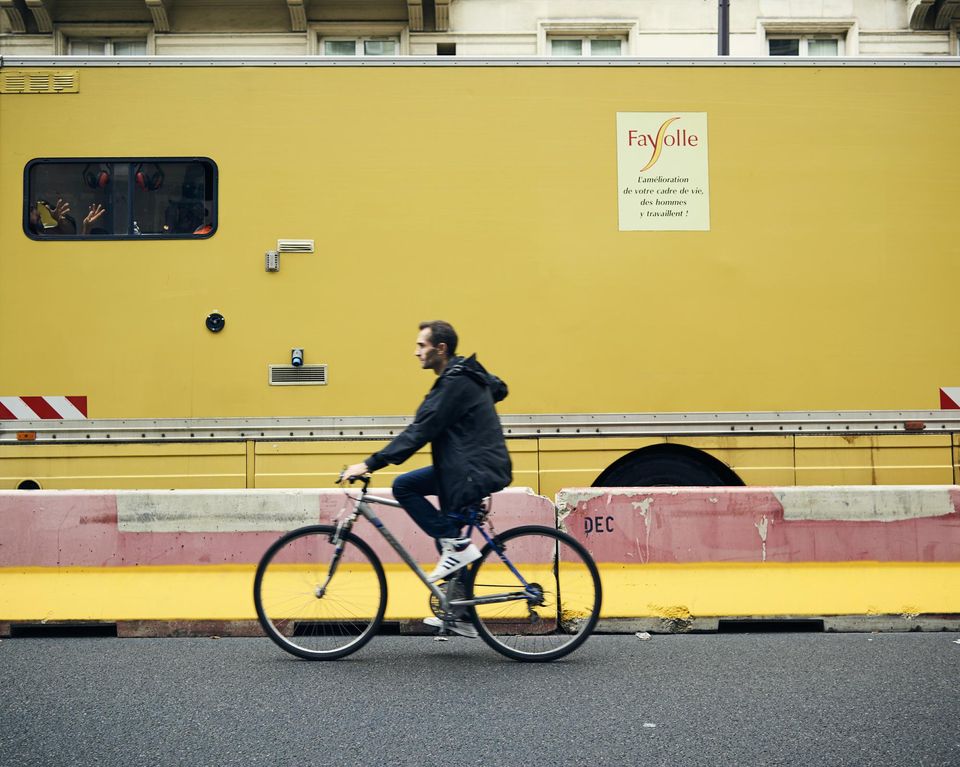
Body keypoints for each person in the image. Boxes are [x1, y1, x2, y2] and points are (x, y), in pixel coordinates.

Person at [341, 320, 512, 636]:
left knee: (407, 489)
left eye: (421, 345)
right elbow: (497, 389)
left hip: (471, 471)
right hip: (469, 467)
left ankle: (457, 563)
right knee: (449, 530)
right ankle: (460, 610)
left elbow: (419, 431)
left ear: (440, 348)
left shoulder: (454, 383)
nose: (415, 352)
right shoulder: (464, 375)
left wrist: (369, 464)